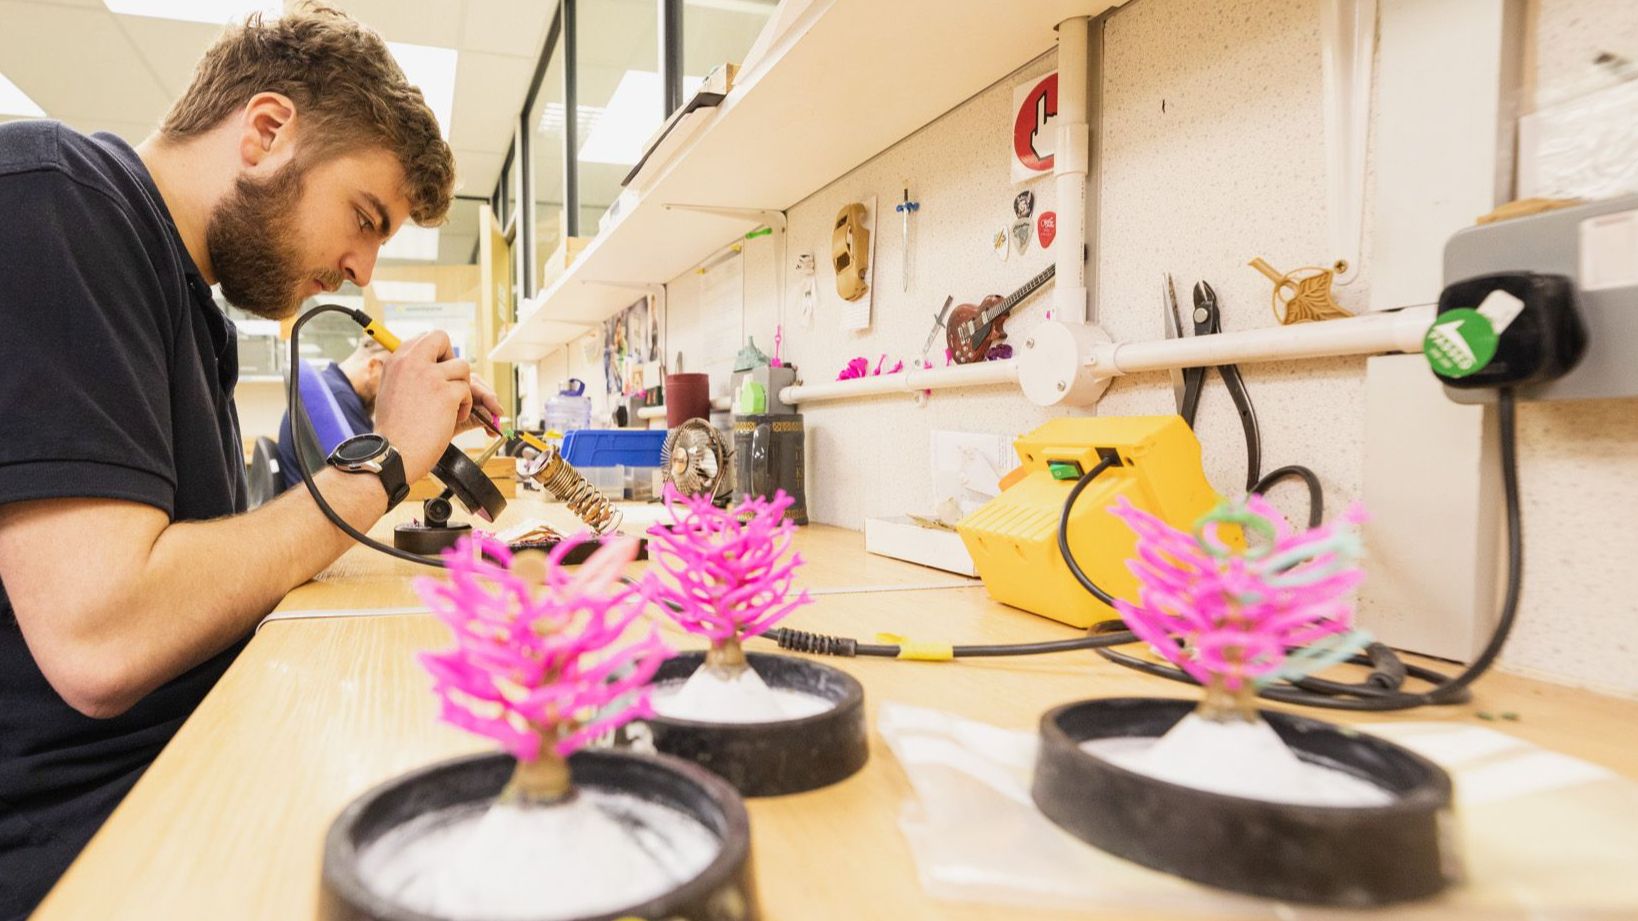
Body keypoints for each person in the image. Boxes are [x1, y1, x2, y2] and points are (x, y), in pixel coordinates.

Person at [0, 6, 499, 917]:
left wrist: (375, 422)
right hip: (84, 847)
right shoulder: (55, 199)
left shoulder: (195, 311)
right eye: (364, 216)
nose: (361, 269)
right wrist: (384, 465)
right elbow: (101, 635)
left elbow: (212, 561)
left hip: (186, 767)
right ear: (267, 132)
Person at [276, 335, 389, 489]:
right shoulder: (339, 397)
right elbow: (378, 469)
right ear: (374, 366)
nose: (386, 393)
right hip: (315, 505)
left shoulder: (329, 388)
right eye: (388, 383)